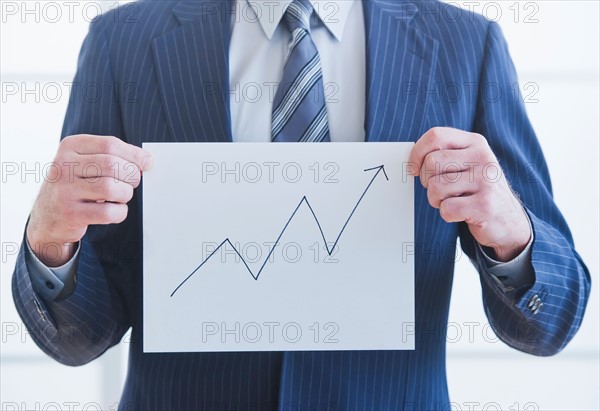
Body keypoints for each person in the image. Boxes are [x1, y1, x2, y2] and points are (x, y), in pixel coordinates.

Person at [12, 0, 590, 410]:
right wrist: (51, 244)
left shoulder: (467, 46)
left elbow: (551, 324)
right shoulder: (123, 42)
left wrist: (514, 238)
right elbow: (80, 335)